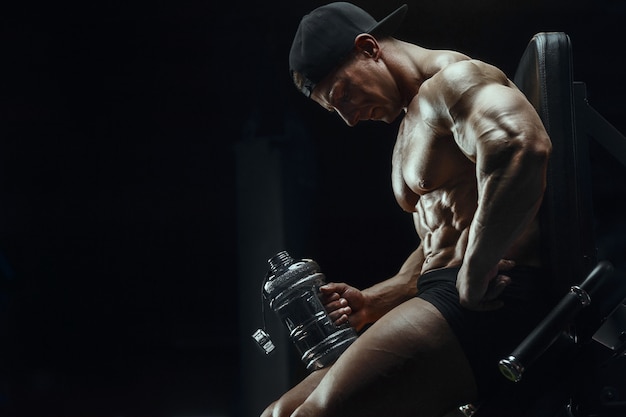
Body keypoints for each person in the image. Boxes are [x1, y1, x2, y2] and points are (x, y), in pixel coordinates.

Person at [262, 2, 556, 416]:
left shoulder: (455, 80)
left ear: (369, 48)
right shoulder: (411, 122)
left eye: (343, 94)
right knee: (278, 412)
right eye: (334, 109)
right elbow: (440, 239)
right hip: (447, 293)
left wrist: (475, 268)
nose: (348, 119)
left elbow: (520, 146)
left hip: (495, 301)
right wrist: (372, 301)